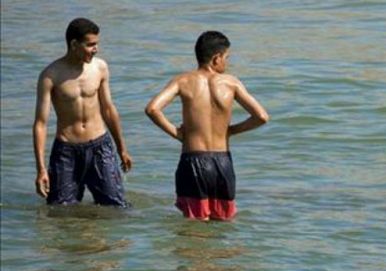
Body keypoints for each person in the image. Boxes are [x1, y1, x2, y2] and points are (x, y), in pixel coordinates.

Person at [145, 30, 269, 220]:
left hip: (193, 159)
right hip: (222, 162)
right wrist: (231, 131)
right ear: (216, 58)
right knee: (223, 222)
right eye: (227, 57)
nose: (227, 62)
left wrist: (178, 134)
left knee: (195, 226)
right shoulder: (231, 83)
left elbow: (152, 109)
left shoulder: (183, 81)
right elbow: (261, 116)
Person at [33, 18, 133, 207]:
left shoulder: (100, 67)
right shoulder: (50, 75)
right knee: (60, 211)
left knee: (116, 207)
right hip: (66, 150)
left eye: (97, 44)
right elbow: (40, 123)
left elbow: (108, 109)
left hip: (100, 147)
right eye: (90, 45)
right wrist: (41, 169)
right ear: (74, 44)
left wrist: (122, 149)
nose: (96, 49)